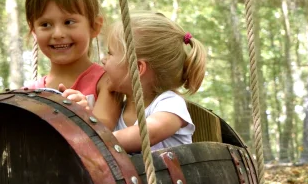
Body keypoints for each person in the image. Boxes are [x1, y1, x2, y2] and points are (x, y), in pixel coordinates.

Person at [63, 12, 207, 152]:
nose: (103, 59)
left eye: (110, 53)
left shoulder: (170, 103)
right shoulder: (118, 111)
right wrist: (84, 114)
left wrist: (95, 141)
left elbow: (148, 134)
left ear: (137, 68)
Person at [25, 0, 105, 108]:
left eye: (69, 22)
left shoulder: (106, 81)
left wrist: (85, 115)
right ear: (34, 32)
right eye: (45, 24)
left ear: (94, 26)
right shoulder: (30, 94)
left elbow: (111, 128)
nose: (57, 34)